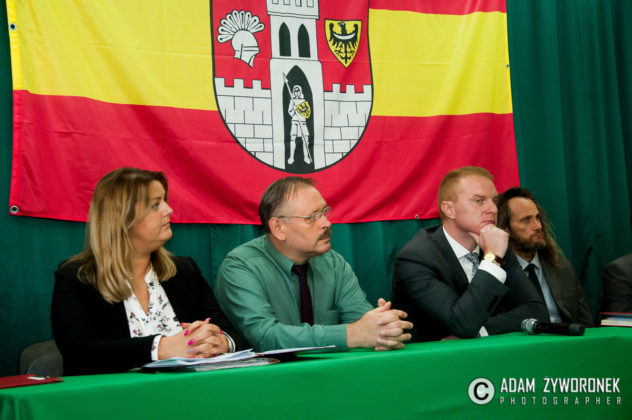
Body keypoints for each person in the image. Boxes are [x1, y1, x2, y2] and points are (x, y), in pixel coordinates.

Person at [52, 167, 246, 375]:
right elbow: (79, 355)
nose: (168, 210)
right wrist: (159, 349)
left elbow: (234, 335)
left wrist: (220, 342)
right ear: (122, 218)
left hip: (189, 391)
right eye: (155, 204)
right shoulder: (77, 277)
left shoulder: (184, 271)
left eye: (165, 201)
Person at [215, 176, 412, 352]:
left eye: (324, 213)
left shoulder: (334, 263)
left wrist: (383, 328)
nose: (327, 223)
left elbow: (363, 325)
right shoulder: (241, 266)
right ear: (278, 228)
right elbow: (264, 337)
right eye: (313, 217)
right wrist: (350, 334)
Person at [392, 166, 548, 342]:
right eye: (479, 201)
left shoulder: (498, 246)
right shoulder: (416, 258)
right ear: (449, 210)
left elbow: (537, 310)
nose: (493, 209)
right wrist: (492, 259)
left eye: (494, 200)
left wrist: (483, 330)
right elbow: (462, 324)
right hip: (432, 357)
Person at [496, 187, 593, 326]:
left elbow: (586, 325)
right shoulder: (497, 274)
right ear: (506, 229)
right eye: (526, 220)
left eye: (537, 218)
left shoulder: (562, 267)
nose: (538, 226)